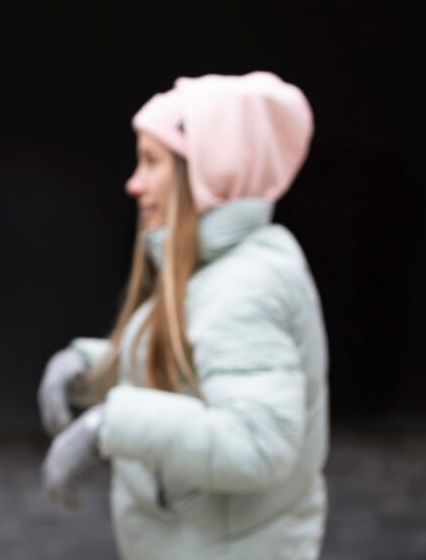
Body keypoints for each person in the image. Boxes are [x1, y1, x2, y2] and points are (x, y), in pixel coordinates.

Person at [37, 71, 329, 559]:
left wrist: (108, 424)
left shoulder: (244, 285)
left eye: (152, 162)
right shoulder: (221, 266)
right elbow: (198, 358)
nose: (134, 184)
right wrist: (91, 366)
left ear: (210, 170)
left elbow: (258, 444)